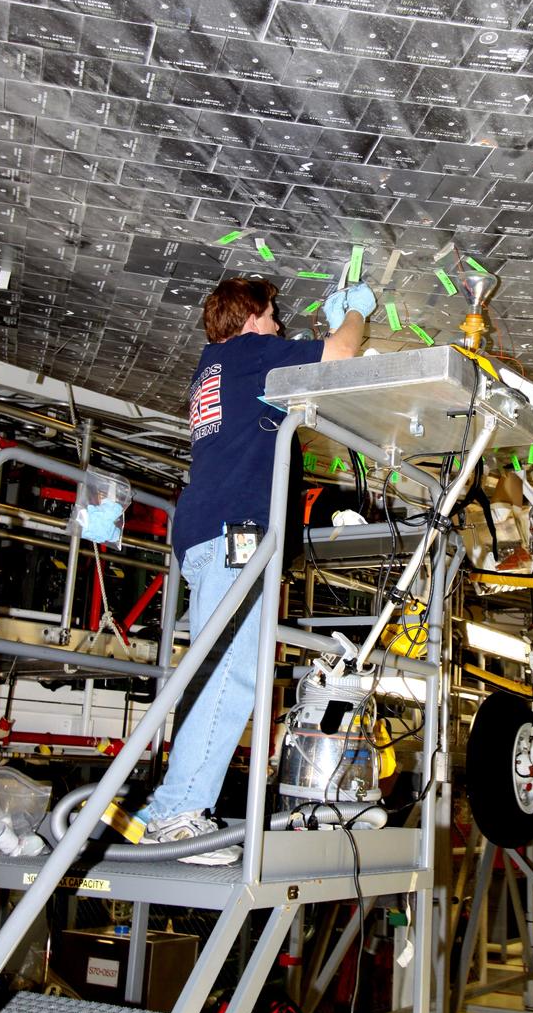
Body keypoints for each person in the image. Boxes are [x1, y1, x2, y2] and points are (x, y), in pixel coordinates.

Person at [142, 275, 377, 862]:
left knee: (212, 671)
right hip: (234, 538)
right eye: (274, 316)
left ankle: (168, 806)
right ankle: (178, 814)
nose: (279, 327)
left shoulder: (213, 367)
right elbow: (343, 353)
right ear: (251, 319)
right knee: (232, 674)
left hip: (205, 534)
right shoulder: (251, 352)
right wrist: (353, 316)